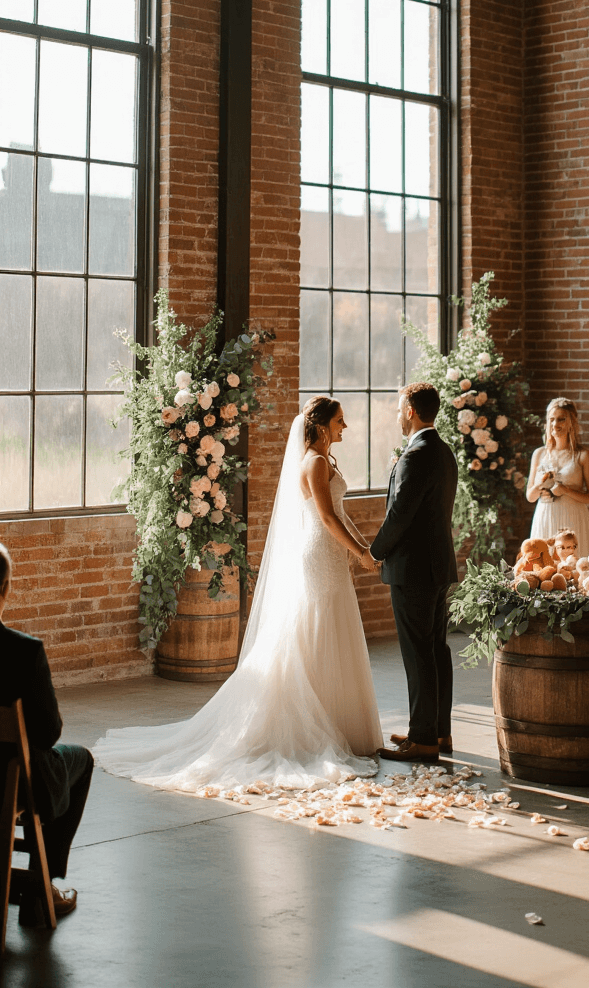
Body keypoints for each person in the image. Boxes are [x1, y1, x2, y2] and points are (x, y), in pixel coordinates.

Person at [94, 398, 383, 791]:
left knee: (333, 623)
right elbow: (327, 517)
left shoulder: (327, 461)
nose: (344, 427)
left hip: (334, 552)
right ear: (319, 426)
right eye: (339, 421)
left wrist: (366, 548)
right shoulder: (314, 463)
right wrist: (359, 552)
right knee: (317, 623)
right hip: (320, 550)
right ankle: (311, 723)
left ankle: (340, 721)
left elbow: (341, 511)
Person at [0, 542, 92, 918]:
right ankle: (42, 888)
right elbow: (49, 732)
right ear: (5, 588)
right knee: (80, 759)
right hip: (11, 782)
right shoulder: (25, 652)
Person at [370, 383, 458, 764]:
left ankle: (422, 740)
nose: (395, 415)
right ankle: (438, 730)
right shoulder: (443, 451)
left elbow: (399, 515)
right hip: (438, 565)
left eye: (397, 408)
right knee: (436, 648)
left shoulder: (414, 455)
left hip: (414, 568)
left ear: (409, 410)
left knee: (418, 652)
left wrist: (375, 552)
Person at [526, 397, 589, 556]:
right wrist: (540, 486)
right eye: (551, 419)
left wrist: (566, 490)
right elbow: (530, 496)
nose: (555, 424)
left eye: (561, 419)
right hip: (545, 515)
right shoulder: (539, 454)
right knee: (543, 567)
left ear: (571, 422)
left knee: (574, 568)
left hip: (573, 517)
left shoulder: (583, 455)